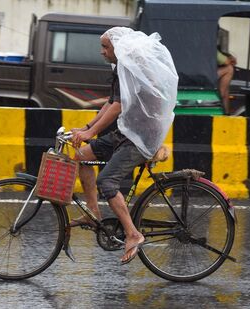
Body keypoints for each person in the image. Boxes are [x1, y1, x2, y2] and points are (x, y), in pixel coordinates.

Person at [69, 27, 178, 265]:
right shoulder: (121, 68)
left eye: (105, 47)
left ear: (118, 49)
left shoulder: (130, 69)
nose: (102, 52)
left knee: (106, 181)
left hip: (140, 138)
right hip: (125, 134)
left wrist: (92, 132)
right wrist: (87, 127)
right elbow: (111, 103)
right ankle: (93, 213)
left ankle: (133, 234)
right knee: (80, 156)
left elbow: (118, 107)